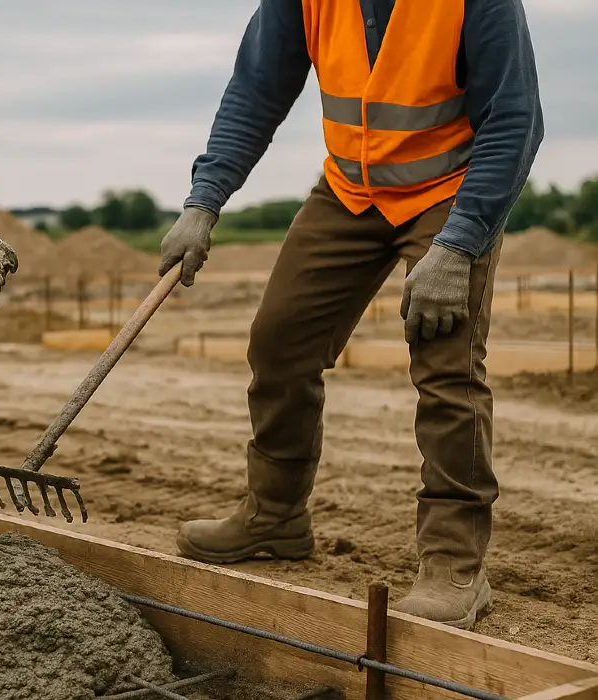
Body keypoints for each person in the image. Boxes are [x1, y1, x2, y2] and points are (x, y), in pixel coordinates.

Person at [158, 0, 543, 630]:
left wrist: (458, 245)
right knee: (279, 341)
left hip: (450, 193)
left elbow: (515, 119)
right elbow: (256, 91)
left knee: (446, 365)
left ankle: (455, 564)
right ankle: (276, 516)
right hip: (351, 191)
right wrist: (203, 202)